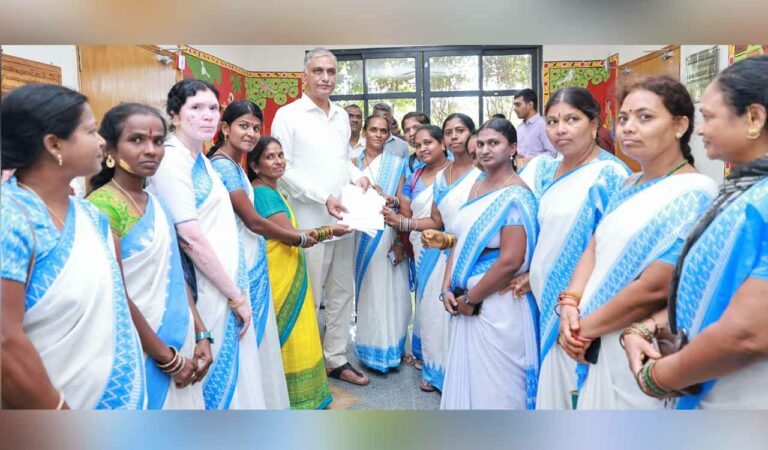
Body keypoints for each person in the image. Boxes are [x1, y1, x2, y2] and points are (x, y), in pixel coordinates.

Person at [553, 76, 718, 410]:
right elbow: (594, 248)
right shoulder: (628, 183)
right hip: (592, 336)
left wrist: (584, 329)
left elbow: (656, 286)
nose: (628, 128)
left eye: (645, 117)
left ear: (680, 125)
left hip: (634, 343)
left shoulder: (696, 191)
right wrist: (570, 303)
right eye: (624, 118)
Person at [623, 55, 768, 409]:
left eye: (709, 117)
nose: (700, 130)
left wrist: (658, 377)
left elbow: (747, 335)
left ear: (754, 118)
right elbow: (709, 289)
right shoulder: (746, 190)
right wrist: (648, 326)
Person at [2, 84, 144, 409]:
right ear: (54, 144)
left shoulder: (91, 215)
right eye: (91, 131)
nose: (102, 142)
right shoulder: (11, 217)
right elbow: (5, 343)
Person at [147, 79, 266, 409]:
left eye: (213, 108)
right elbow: (190, 238)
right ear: (174, 115)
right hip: (206, 288)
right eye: (195, 108)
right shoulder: (172, 160)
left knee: (238, 374)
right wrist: (235, 295)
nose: (207, 115)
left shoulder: (200, 158)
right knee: (214, 379)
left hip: (224, 284)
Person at [510, 87, 631, 409]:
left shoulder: (611, 175)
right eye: (552, 121)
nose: (560, 129)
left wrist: (578, 303)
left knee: (573, 389)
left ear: (595, 124)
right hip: (538, 296)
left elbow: (612, 249)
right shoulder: (544, 170)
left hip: (580, 306)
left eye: (571, 119)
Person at [88, 103, 213, 409]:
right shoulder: (101, 207)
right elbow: (115, 294)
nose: (151, 150)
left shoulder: (158, 204)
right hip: (135, 346)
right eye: (136, 140)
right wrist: (166, 358)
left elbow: (175, 276)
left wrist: (201, 332)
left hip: (178, 338)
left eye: (158, 141)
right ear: (111, 150)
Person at [271, 47, 371, 386]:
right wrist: (321, 197)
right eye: (318, 71)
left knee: (343, 290)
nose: (325, 77)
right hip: (309, 217)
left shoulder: (342, 115)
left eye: (331, 71)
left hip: (344, 216)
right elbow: (282, 168)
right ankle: (308, 362)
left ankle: (336, 358)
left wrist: (357, 176)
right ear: (304, 76)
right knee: (311, 293)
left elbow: (341, 159)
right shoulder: (288, 115)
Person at [208, 100, 308, 409]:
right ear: (224, 128)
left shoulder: (234, 164)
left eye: (255, 127)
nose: (251, 133)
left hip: (249, 258)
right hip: (238, 262)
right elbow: (252, 221)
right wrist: (304, 237)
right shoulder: (223, 165)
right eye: (243, 126)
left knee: (257, 343)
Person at [439, 118, 539, 409]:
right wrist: (447, 288)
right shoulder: (477, 186)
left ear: (513, 148)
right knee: (472, 381)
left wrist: (471, 298)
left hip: (499, 305)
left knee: (498, 389)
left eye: (494, 143)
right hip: (466, 301)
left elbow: (510, 260)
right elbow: (458, 239)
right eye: (480, 144)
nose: (484, 150)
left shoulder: (517, 194)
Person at [385, 112, 481, 391]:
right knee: (430, 310)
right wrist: (403, 223)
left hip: (466, 252)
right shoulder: (440, 177)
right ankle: (435, 369)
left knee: (458, 311)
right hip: (431, 250)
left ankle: (460, 372)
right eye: (418, 144)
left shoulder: (479, 174)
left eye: (459, 131)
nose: (454, 137)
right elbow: (436, 221)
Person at [249, 136, 347, 409]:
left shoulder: (274, 190)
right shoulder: (263, 194)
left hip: (289, 269)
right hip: (280, 276)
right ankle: (292, 397)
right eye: (270, 157)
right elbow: (292, 237)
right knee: (288, 333)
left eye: (280, 155)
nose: (279, 161)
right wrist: (331, 231)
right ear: (255, 166)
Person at [353, 115, 412, 372]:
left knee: (392, 290)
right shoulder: (352, 163)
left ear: (389, 135)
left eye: (383, 131)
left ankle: (392, 349)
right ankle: (369, 347)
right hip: (359, 235)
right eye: (373, 129)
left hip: (388, 232)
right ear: (365, 132)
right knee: (368, 291)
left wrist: (391, 200)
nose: (378, 134)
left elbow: (402, 201)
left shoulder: (397, 163)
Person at [514, 88, 558, 166]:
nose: (515, 109)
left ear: (530, 105)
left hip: (538, 174)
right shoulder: (519, 128)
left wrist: (529, 159)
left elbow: (553, 154)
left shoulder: (543, 125)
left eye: (518, 105)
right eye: (515, 105)